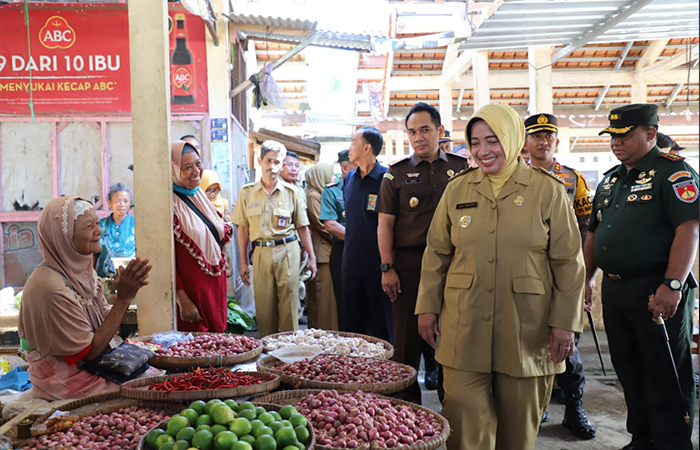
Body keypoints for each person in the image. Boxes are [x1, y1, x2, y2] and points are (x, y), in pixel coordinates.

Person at [417, 103, 585, 450]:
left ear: (513, 139)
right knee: (463, 424)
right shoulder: (458, 189)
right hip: (465, 324)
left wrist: (565, 323)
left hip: (527, 329)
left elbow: (568, 261)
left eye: (492, 140)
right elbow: (437, 253)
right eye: (475, 142)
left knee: (518, 432)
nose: (483, 151)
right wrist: (427, 308)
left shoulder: (547, 191)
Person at [584, 104, 699, 450]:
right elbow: (593, 236)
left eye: (625, 135)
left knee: (665, 371)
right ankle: (642, 438)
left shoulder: (673, 173)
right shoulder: (610, 180)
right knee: (629, 369)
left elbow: (689, 229)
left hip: (658, 288)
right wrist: (586, 280)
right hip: (617, 290)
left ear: (650, 134)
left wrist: (673, 284)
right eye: (613, 136)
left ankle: (672, 442)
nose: (616, 142)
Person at [377, 102, 469, 404]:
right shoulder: (396, 175)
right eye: (412, 132)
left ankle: (452, 402)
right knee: (405, 339)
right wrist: (387, 267)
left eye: (425, 130)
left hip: (455, 265)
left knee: (453, 334)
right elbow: (385, 225)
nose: (419, 137)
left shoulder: (461, 169)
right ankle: (406, 407)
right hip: (408, 265)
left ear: (440, 131)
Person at [18, 196, 151, 400]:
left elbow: (106, 324)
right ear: (64, 237)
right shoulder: (51, 288)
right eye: (89, 226)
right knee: (147, 387)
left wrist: (124, 295)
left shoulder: (82, 272)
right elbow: (89, 352)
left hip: (90, 366)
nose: (98, 231)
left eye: (97, 223)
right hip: (63, 379)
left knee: (153, 371)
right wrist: (124, 297)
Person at [524, 113, 595, 440]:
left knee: (568, 347)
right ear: (524, 142)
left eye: (547, 136)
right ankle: (537, 408)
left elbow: (587, 227)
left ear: (557, 141)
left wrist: (586, 277)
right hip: (527, 276)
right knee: (527, 345)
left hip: (565, 275)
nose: (542, 142)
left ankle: (573, 408)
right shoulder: (514, 178)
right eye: (535, 136)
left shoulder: (572, 179)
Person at [232, 140, 317, 337]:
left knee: (290, 306)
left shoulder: (293, 192)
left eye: (278, 162)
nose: (273, 166)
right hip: (261, 252)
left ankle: (290, 356)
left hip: (288, 250)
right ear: (260, 161)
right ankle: (267, 355)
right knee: (264, 308)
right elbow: (243, 229)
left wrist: (311, 257)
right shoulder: (247, 193)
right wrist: (243, 263)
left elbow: (303, 227)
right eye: (269, 161)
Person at [172, 140, 233, 333]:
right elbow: (168, 259)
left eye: (198, 163)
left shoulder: (198, 195)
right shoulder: (170, 204)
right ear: (173, 170)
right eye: (187, 167)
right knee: (197, 350)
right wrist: (182, 299)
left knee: (218, 347)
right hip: (192, 293)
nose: (196, 171)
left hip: (214, 288)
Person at [343, 127, 393, 342]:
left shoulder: (387, 179)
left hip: (378, 266)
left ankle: (389, 373)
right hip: (351, 264)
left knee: (383, 326)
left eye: (353, 143)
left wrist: (388, 267)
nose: (349, 148)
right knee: (352, 328)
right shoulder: (349, 179)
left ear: (367, 147)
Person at [319, 149, 356, 330]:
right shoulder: (332, 192)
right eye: (357, 166)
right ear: (344, 167)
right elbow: (331, 225)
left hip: (372, 252)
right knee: (345, 304)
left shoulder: (374, 187)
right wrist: (360, 239)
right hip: (344, 252)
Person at [305, 163, 339, 330]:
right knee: (323, 304)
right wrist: (344, 234)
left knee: (326, 303)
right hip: (322, 255)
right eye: (331, 175)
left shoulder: (321, 194)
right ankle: (324, 341)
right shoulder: (314, 196)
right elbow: (324, 225)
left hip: (326, 253)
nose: (334, 179)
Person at [96, 183, 136, 278]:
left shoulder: (137, 224)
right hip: (105, 279)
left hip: (131, 279)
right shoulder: (100, 225)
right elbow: (94, 254)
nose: (122, 205)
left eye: (126, 201)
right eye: (118, 201)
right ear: (109, 203)